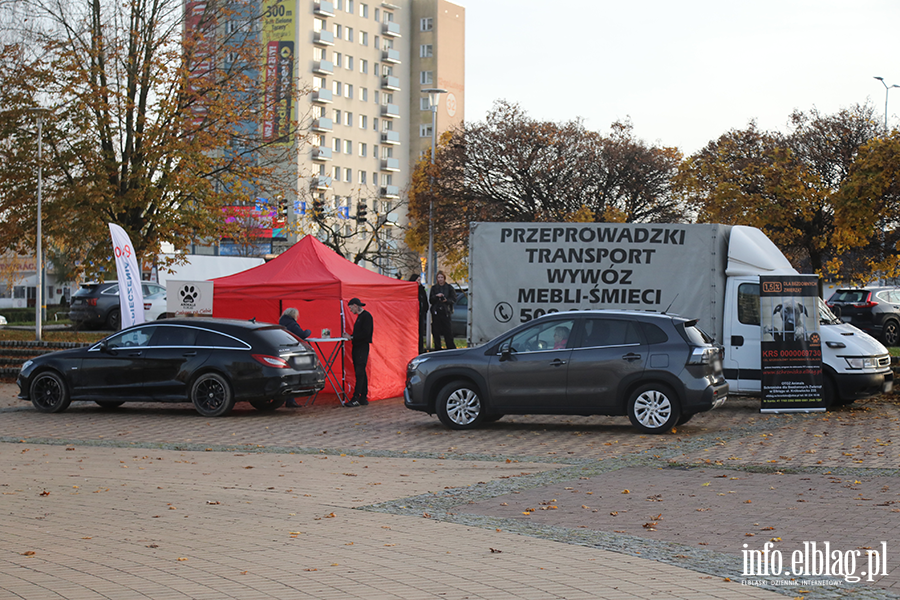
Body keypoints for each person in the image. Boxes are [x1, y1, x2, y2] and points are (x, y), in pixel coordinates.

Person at [279, 308, 312, 407]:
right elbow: (302, 334)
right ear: (294, 315)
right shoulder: (292, 324)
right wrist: (309, 331)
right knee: (293, 375)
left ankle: (287, 399)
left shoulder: (281, 323)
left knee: (286, 375)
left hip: (283, 350)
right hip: (292, 350)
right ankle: (290, 400)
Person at [345, 297, 373, 407]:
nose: (351, 310)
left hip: (362, 347)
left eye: (351, 308)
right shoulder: (360, 317)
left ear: (355, 306)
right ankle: (363, 397)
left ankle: (356, 397)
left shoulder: (366, 316)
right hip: (357, 347)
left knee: (360, 372)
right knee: (361, 372)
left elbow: (366, 334)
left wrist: (352, 337)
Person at [429, 271, 457, 350]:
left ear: (444, 278)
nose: (440, 279)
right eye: (439, 277)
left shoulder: (449, 287)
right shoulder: (434, 288)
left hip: (446, 311)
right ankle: (437, 348)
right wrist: (436, 296)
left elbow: (454, 299)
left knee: (448, 331)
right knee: (436, 331)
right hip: (436, 312)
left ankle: (450, 348)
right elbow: (431, 300)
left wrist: (446, 300)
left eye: (441, 277)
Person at [409, 273, 429, 354]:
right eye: (417, 280)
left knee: (420, 332)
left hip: (420, 315)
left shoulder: (422, 290)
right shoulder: (410, 290)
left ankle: (420, 348)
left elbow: (425, 302)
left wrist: (424, 311)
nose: (419, 281)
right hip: (412, 316)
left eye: (420, 280)